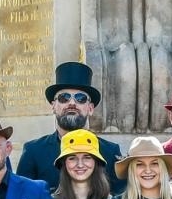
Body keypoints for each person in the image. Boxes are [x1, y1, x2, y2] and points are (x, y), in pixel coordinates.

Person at [16, 62, 124, 190]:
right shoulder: (33, 151)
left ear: (90, 108)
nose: (72, 103)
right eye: (64, 98)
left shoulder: (110, 152)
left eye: (80, 98)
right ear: (53, 106)